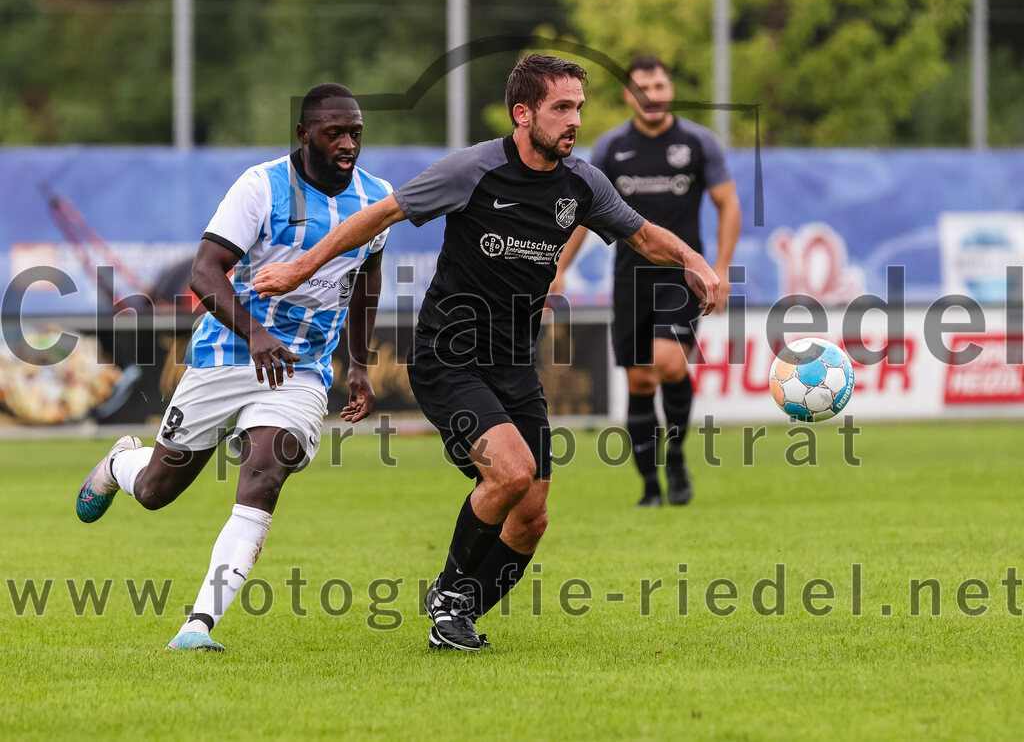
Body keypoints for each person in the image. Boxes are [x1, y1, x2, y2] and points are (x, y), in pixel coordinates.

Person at [253, 54, 720, 652]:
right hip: (448, 357)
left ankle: (460, 614)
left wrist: (695, 262)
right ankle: (449, 595)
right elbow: (381, 214)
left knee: (533, 516)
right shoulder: (473, 169)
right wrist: (299, 267)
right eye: (561, 107)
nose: (575, 120)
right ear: (522, 114)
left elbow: (643, 234)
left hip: (514, 365)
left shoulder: (583, 182)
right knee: (513, 472)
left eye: (579, 107)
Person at [75, 83, 389, 651]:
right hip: (226, 353)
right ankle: (122, 465)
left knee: (267, 468)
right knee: (155, 490)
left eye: (356, 133)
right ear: (304, 135)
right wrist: (257, 334)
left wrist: (359, 363)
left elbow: (367, 278)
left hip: (301, 366)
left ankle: (198, 627)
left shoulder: (376, 198)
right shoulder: (261, 186)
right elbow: (204, 272)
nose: (348, 144)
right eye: (334, 133)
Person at [551, 55, 741, 508]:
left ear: (669, 90)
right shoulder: (612, 148)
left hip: (682, 277)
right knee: (639, 382)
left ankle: (675, 456)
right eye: (643, 88)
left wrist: (722, 268)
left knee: (669, 364)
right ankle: (651, 486)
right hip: (630, 277)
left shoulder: (698, 144)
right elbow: (585, 213)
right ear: (628, 95)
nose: (652, 96)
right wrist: (559, 268)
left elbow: (728, 204)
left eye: (659, 86)